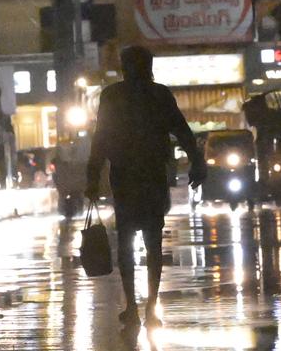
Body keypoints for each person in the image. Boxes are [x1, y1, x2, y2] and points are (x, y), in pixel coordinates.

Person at [86, 46, 205, 329]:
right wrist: (197, 163)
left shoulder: (113, 95)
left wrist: (92, 175)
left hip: (125, 176)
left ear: (124, 67)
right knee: (153, 242)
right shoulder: (159, 94)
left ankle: (133, 308)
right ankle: (150, 308)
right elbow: (183, 132)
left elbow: (100, 139)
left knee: (127, 242)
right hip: (152, 176)